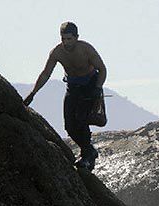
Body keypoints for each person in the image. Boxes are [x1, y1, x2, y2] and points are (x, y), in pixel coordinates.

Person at [23, 22, 107, 170]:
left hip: (89, 85)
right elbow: (45, 74)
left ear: (76, 37)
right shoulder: (57, 52)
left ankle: (86, 155)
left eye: (69, 39)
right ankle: (89, 150)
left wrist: (97, 88)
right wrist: (33, 93)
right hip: (73, 87)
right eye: (63, 39)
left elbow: (102, 69)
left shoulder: (86, 49)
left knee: (81, 119)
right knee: (69, 126)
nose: (66, 42)